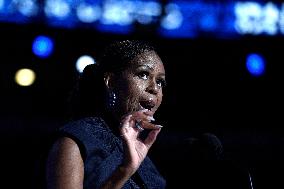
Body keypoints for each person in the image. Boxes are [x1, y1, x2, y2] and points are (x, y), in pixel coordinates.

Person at [46, 40, 167, 189]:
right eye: (143, 74)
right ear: (111, 81)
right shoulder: (74, 141)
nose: (154, 88)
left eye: (160, 81)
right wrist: (124, 171)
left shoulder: (145, 157)